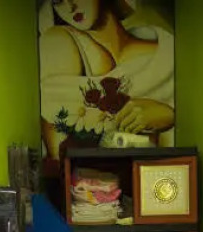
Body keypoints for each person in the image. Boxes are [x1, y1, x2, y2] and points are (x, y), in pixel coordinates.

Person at [39, 0, 174, 159]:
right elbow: (61, 155)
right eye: (58, 1)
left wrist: (169, 115)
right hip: (98, 173)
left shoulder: (166, 47)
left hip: (162, 172)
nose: (70, 7)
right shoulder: (58, 42)